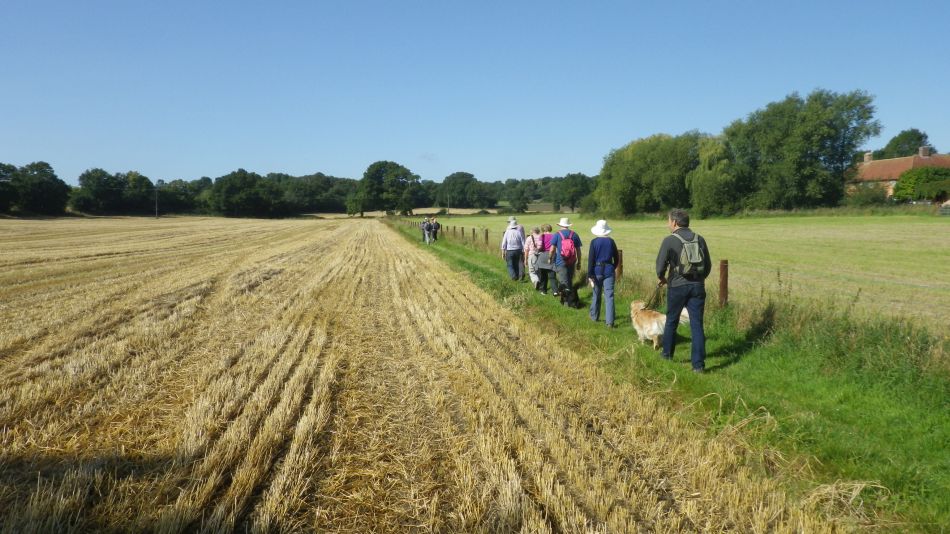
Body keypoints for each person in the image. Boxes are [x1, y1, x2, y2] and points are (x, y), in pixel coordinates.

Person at [656, 208, 712, 373]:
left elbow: (660, 266)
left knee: (672, 321)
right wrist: (699, 280)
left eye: (668, 221)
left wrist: (661, 278)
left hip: (677, 286)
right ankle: (698, 365)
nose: (668, 224)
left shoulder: (669, 240)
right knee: (697, 325)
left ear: (674, 222)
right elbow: (707, 266)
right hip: (698, 287)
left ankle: (667, 355)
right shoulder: (699, 239)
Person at [587, 220, 619, 327]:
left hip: (596, 270)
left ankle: (594, 316)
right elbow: (617, 258)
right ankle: (610, 322)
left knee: (596, 294)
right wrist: (612, 267)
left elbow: (590, 259)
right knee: (609, 296)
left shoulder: (594, 242)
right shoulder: (611, 241)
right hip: (609, 270)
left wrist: (589, 274)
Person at [548, 217, 582, 298]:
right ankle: (570, 298)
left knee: (563, 281)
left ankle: (567, 301)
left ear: (560, 225)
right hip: (572, 260)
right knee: (569, 280)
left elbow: (552, 249)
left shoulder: (557, 234)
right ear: (568, 225)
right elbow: (578, 250)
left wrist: (550, 258)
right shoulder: (574, 234)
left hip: (561, 261)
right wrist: (579, 262)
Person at [535, 224, 555, 294]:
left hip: (543, 254)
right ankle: (555, 291)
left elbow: (540, 246)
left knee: (543, 274)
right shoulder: (554, 236)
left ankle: (543, 290)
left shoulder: (542, 236)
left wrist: (537, 250)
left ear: (543, 229)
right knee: (552, 273)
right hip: (552, 254)